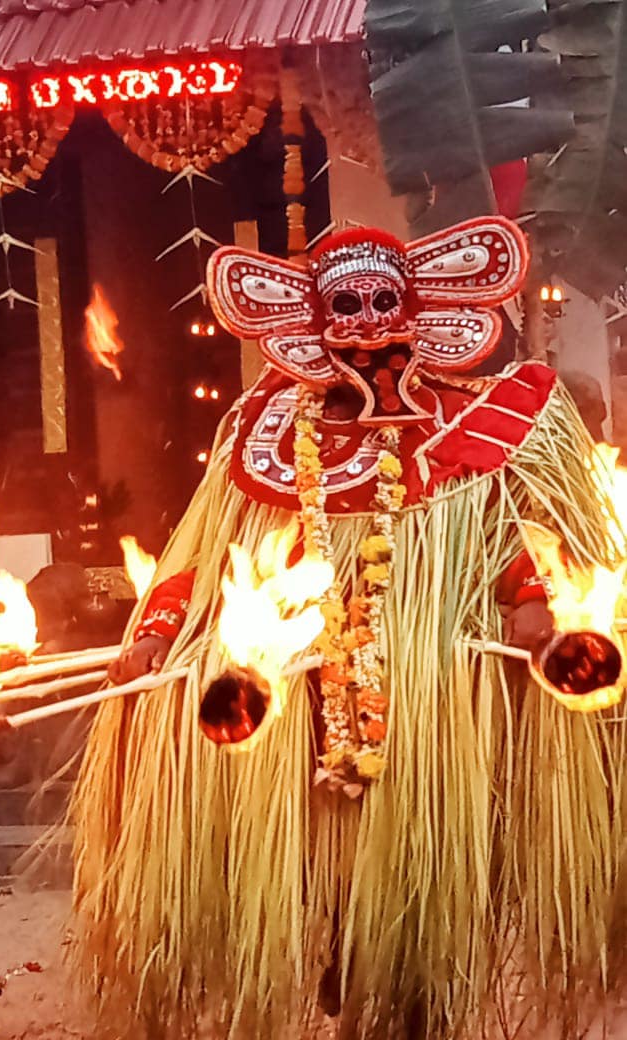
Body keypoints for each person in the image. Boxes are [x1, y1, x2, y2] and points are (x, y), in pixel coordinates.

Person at [69, 217, 624, 1039]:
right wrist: (154, 633)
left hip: (430, 721)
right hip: (289, 713)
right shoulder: (263, 439)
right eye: (345, 307)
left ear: (421, 312)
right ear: (309, 325)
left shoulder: (470, 434)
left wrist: (543, 632)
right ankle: (331, 958)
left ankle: (410, 1000)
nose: (366, 327)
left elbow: (515, 555)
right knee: (318, 891)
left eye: (383, 303)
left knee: (414, 903)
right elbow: (197, 559)